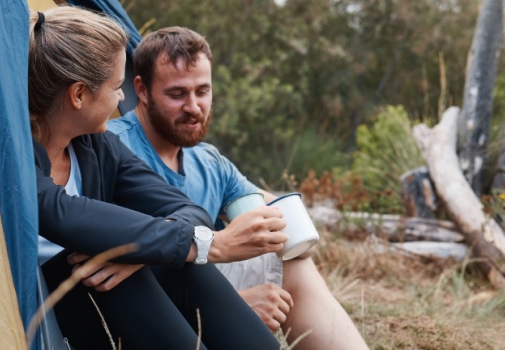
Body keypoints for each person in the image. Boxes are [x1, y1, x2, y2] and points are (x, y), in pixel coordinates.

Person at [29, 8, 289, 350]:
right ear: (78, 95)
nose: (122, 98)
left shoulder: (97, 146)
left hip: (103, 297)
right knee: (117, 265)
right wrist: (209, 244)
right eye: (114, 86)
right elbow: (60, 212)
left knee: (177, 265)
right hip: (44, 306)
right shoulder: (12, 154)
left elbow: (187, 209)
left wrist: (146, 251)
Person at [108, 27, 370, 350]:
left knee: (289, 257)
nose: (193, 106)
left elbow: (277, 214)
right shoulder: (111, 146)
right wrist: (235, 304)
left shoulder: (209, 162)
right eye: (177, 94)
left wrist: (292, 232)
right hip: (139, 301)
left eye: (202, 91)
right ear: (142, 90)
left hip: (199, 283)